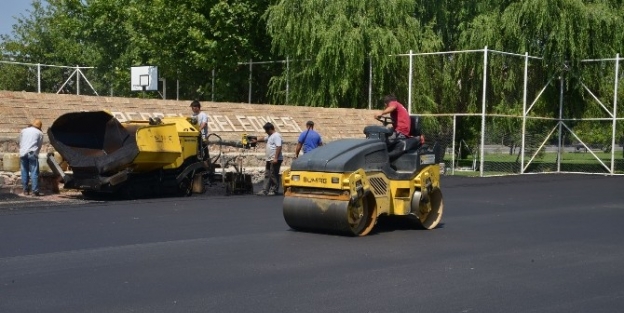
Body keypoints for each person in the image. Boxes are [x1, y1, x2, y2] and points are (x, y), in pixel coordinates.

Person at [252, 122, 283, 196]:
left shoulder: (276, 136)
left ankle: (274, 190)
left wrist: (275, 158)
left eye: (266, 130)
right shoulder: (270, 136)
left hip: (275, 159)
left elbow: (279, 147)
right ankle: (265, 190)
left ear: (270, 129)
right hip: (269, 159)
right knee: (267, 174)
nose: (265, 132)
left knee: (273, 175)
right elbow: (264, 138)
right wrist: (256, 141)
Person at [19, 119, 44, 196]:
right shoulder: (40, 133)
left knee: (24, 171)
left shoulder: (23, 131)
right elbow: (39, 145)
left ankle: (25, 190)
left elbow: (20, 142)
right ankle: (34, 191)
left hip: (23, 152)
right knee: (34, 172)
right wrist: (36, 153)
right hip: (32, 152)